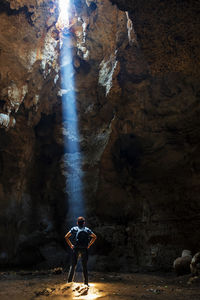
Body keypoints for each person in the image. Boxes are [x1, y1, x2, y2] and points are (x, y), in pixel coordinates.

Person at [65, 216, 97, 285]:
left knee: (73, 265)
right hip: (84, 249)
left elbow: (66, 236)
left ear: (77, 223)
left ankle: (69, 282)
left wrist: (71, 245)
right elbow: (94, 237)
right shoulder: (87, 230)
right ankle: (86, 283)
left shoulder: (74, 229)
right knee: (84, 266)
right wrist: (89, 245)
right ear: (84, 223)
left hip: (76, 248)